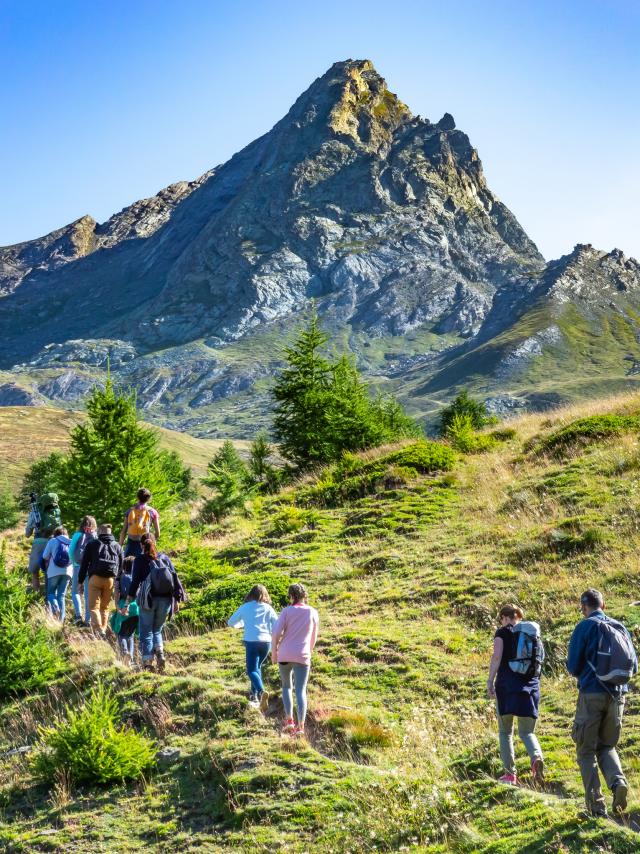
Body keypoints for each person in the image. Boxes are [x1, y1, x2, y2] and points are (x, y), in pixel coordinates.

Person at [567, 588, 638, 817]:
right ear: (603, 605)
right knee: (607, 746)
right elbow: (634, 666)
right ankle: (618, 783)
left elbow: (573, 666)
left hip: (591, 694)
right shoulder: (619, 627)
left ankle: (596, 807)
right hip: (618, 695)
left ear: (584, 607)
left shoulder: (584, 627)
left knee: (585, 750)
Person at [487, 604, 544, 786]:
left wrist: (490, 680)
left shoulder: (502, 633)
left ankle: (510, 775)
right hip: (530, 687)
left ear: (504, 617)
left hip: (506, 687)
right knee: (527, 732)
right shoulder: (531, 634)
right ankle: (536, 758)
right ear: (518, 616)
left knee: (505, 732)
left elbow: (497, 657)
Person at [125, 533, 184, 672]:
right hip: (166, 600)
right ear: (154, 542)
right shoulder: (165, 558)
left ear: (141, 545)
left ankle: (147, 662)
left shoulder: (139, 560)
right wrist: (177, 600)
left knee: (146, 631)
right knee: (157, 629)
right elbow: (175, 578)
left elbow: (134, 583)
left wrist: (128, 602)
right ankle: (160, 653)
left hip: (148, 600)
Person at [271, 583, 319, 736]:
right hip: (302, 655)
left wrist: (274, 652)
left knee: (286, 687)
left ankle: (289, 720)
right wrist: (308, 651)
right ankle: (301, 726)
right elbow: (313, 638)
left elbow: (276, 633)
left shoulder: (286, 611)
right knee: (301, 691)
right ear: (305, 595)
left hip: (284, 654)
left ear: (291, 596)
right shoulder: (312, 612)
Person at [228, 585, 278, 712]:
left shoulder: (245, 607)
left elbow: (231, 622)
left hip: (251, 641)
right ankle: (253, 696)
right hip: (266, 642)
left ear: (251, 594)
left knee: (251, 670)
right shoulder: (268, 608)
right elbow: (276, 624)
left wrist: (244, 624)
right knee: (257, 668)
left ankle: (261, 692)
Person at [78, 523, 124, 637]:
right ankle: (102, 630)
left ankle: (99, 630)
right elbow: (122, 566)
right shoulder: (117, 546)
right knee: (105, 607)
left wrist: (80, 581)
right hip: (110, 580)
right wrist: (118, 581)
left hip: (95, 579)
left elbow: (84, 564)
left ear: (99, 532)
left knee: (94, 607)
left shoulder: (92, 544)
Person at [25, 492, 61, 592]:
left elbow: (28, 534)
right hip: (54, 542)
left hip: (39, 542)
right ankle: (51, 595)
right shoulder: (57, 512)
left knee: (34, 571)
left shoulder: (35, 513)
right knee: (50, 570)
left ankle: (37, 593)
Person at [110, 558, 139, 666]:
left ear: (124, 566)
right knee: (130, 635)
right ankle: (130, 660)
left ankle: (125, 651)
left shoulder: (121, 577)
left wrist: (117, 606)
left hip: (123, 606)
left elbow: (117, 592)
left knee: (121, 634)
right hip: (136, 608)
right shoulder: (137, 577)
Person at [69, 516, 97, 626]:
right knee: (87, 593)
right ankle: (88, 620)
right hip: (90, 568)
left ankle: (78, 615)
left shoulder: (77, 535)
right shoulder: (95, 536)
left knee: (75, 591)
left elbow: (70, 551)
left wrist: (74, 562)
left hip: (78, 566)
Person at [41, 525, 72, 622]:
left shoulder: (53, 541)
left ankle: (55, 609)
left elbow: (45, 556)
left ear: (55, 533)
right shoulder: (72, 542)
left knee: (50, 593)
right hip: (68, 572)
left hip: (53, 571)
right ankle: (61, 621)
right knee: (61, 595)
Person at [119, 488, 160, 558]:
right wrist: (150, 543)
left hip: (130, 543)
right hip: (144, 544)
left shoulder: (129, 511)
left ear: (137, 497)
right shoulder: (152, 512)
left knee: (128, 565)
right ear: (149, 498)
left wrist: (120, 546)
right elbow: (158, 533)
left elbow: (124, 531)